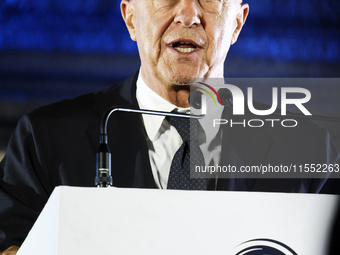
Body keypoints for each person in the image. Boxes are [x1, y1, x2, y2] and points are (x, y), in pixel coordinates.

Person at [0, 0, 339, 254]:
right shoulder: (45, 139)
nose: (189, 14)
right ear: (130, 16)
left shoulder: (307, 147)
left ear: (237, 22)